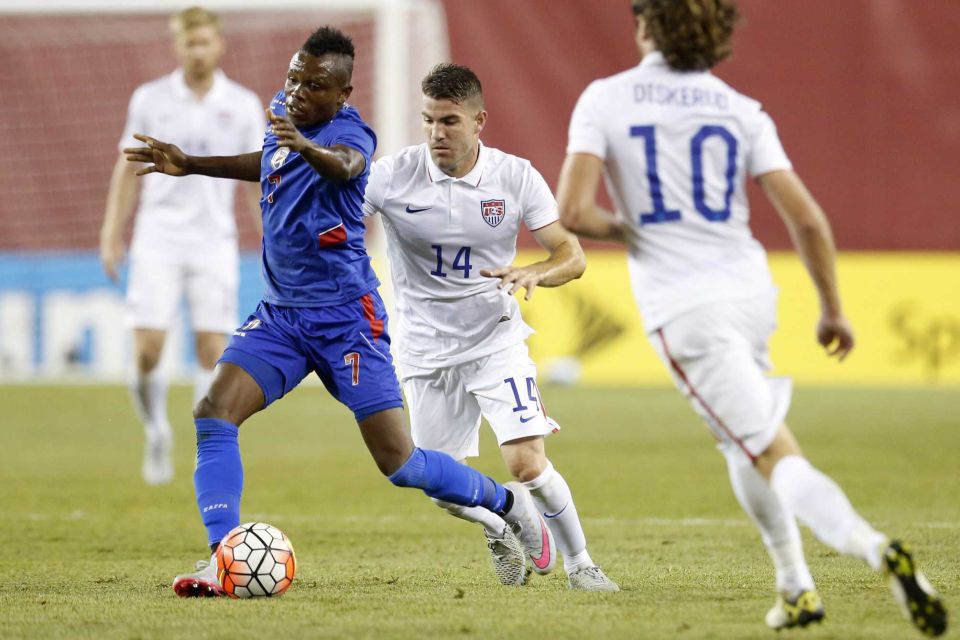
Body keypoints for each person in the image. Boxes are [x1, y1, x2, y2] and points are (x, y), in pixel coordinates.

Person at [556, 0, 947, 634]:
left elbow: (573, 210)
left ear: (647, 25)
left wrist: (640, 233)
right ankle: (796, 587)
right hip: (750, 293)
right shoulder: (739, 108)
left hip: (686, 309)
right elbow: (809, 220)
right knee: (740, 436)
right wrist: (834, 311)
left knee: (770, 449)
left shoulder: (606, 98)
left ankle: (876, 548)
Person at [124, 26, 553, 598]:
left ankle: (507, 502)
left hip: (348, 319)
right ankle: (222, 559)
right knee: (213, 412)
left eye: (313, 85)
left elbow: (346, 166)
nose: (297, 92)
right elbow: (270, 160)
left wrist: (305, 147)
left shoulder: (352, 133)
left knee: (400, 463)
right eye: (292, 78)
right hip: (282, 315)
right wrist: (192, 163)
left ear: (344, 94)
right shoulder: (285, 113)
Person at [362, 63, 619, 592]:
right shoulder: (392, 175)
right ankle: (501, 524)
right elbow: (337, 211)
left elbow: (571, 255)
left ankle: (583, 566)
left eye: (450, 121)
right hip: (424, 349)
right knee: (440, 488)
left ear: (480, 121)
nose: (436, 133)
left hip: (495, 340)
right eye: (429, 120)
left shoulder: (515, 176)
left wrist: (535, 273)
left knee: (528, 464)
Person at [99, 6, 264, 485]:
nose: (198, 51)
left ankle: (202, 443)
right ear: (178, 46)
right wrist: (113, 231)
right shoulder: (151, 99)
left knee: (212, 349)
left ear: (219, 44)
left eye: (205, 42)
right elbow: (127, 168)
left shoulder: (243, 103)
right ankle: (155, 431)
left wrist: (270, 237)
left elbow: (257, 177)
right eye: (189, 43)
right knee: (148, 348)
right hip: (159, 236)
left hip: (214, 239)